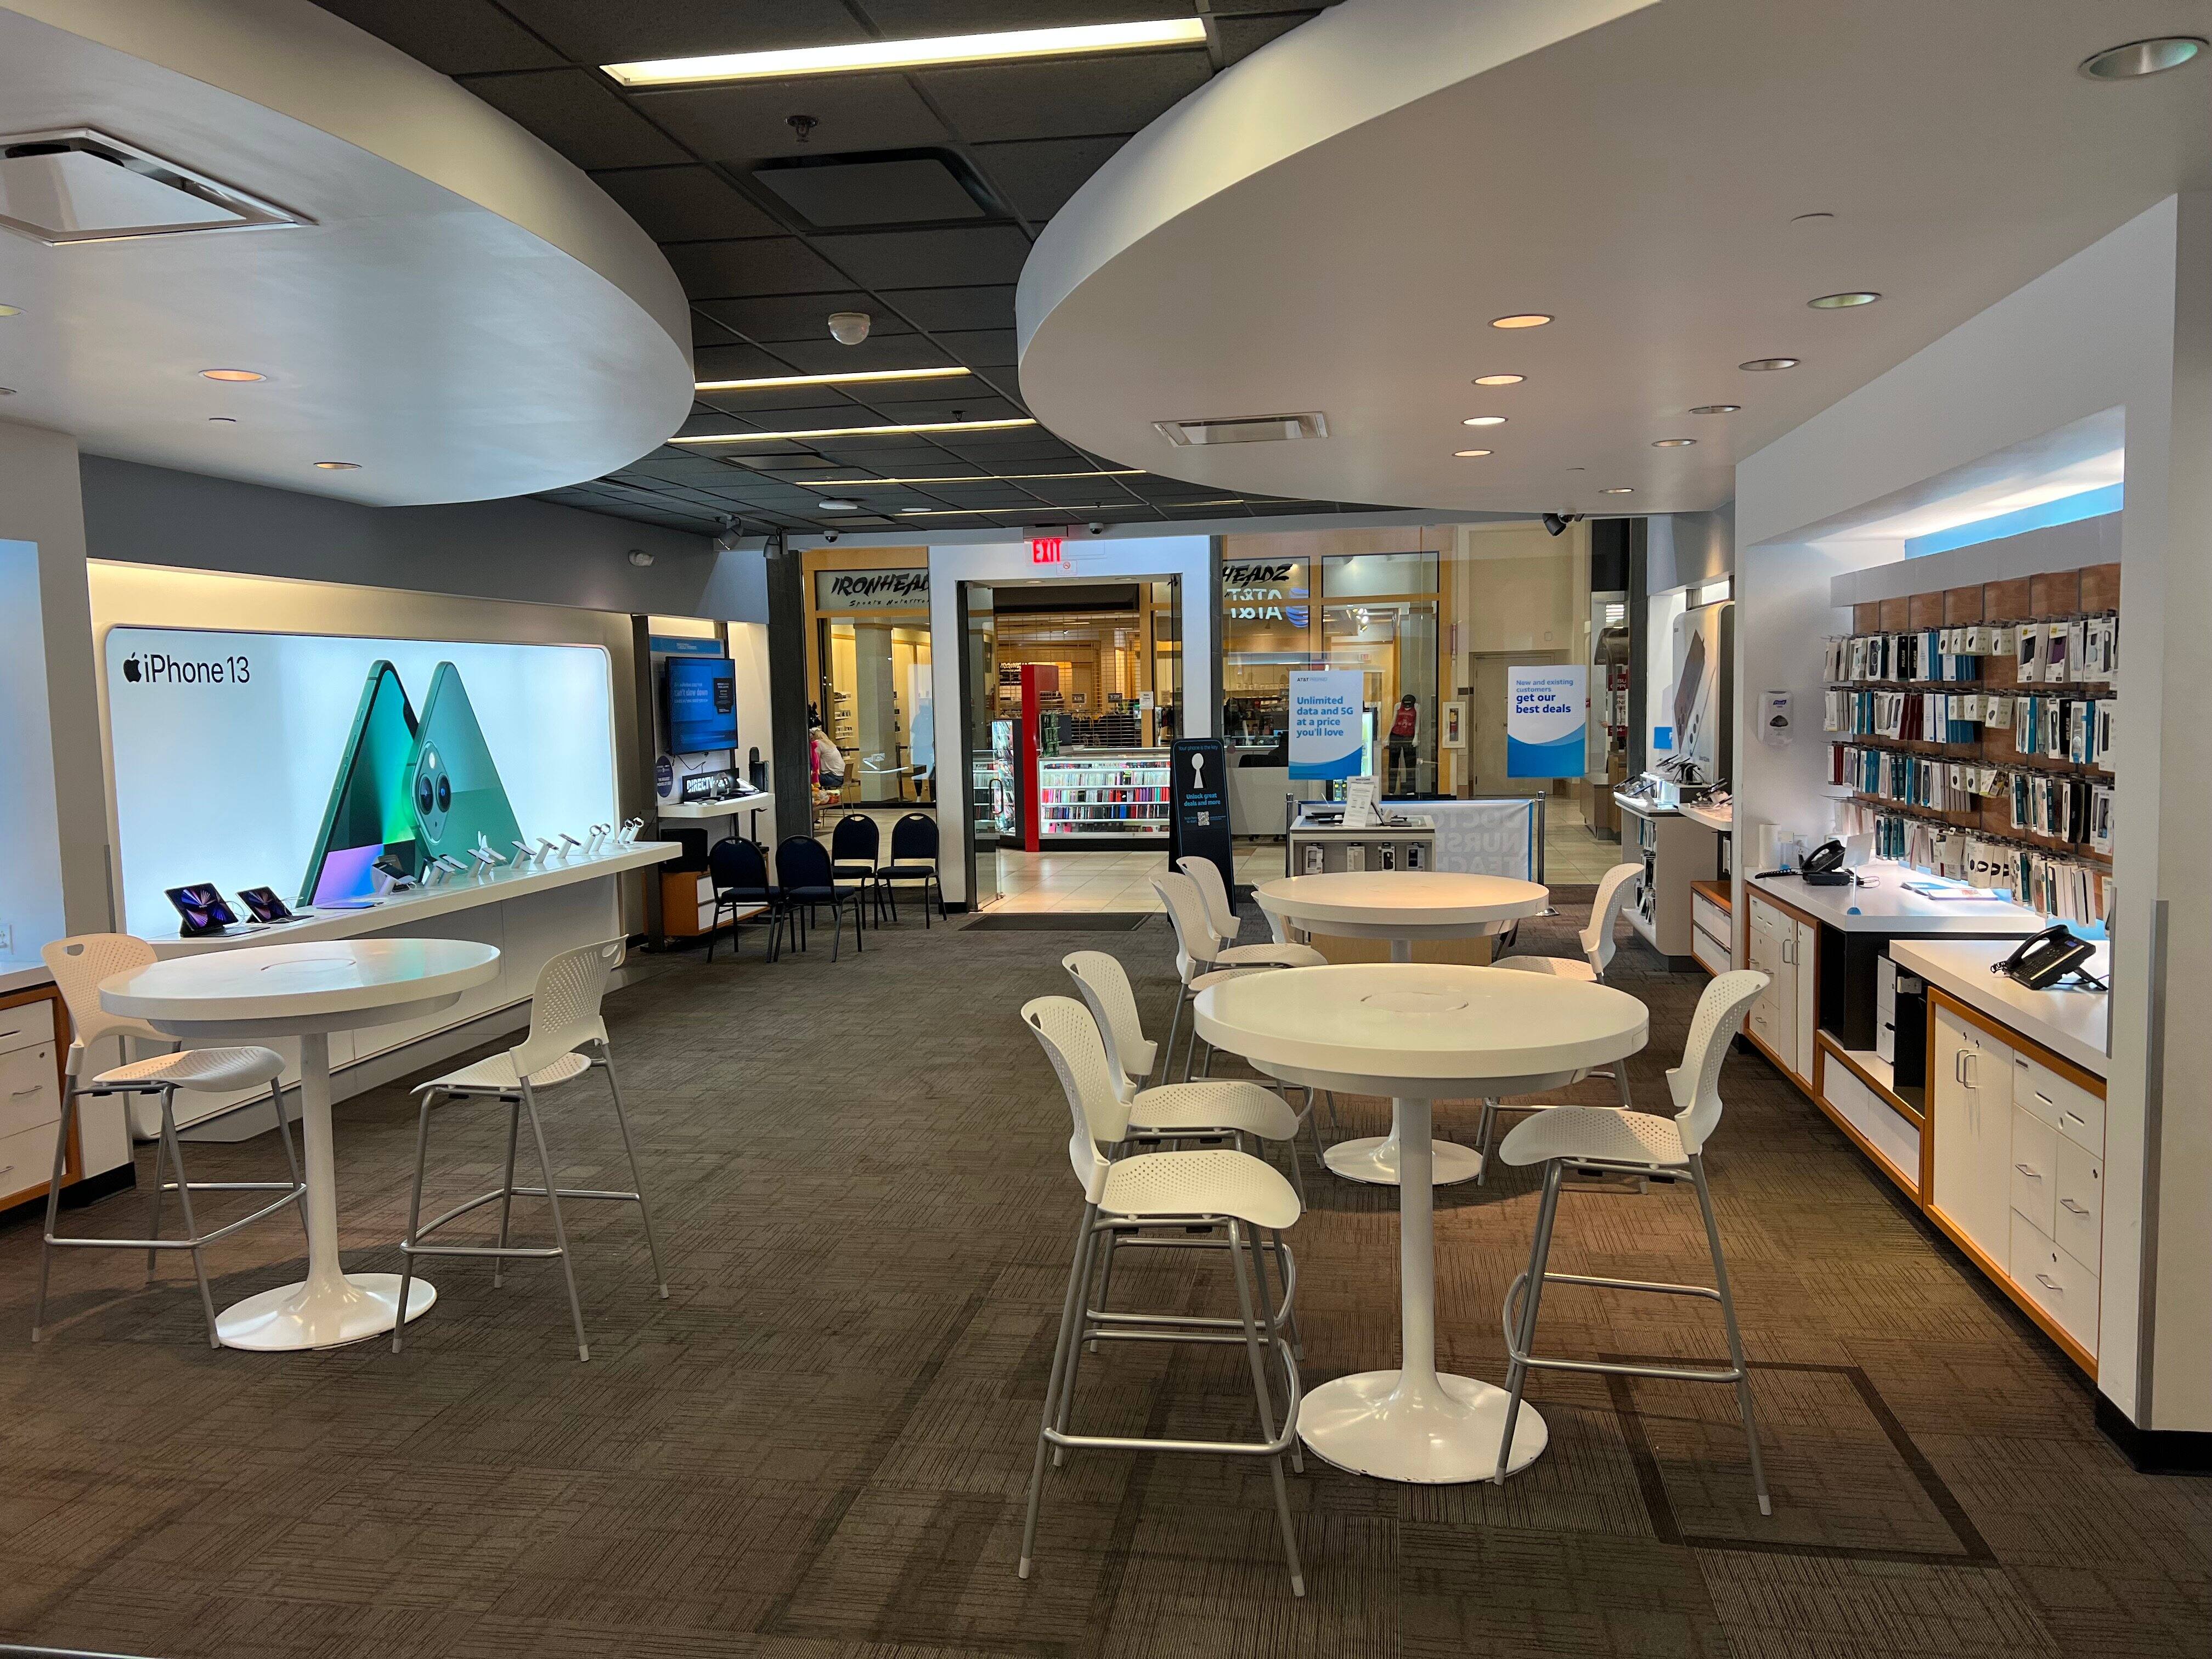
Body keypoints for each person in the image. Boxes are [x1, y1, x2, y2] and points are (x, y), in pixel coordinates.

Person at [1387, 693, 1421, 795]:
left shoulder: (1416, 707)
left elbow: (1417, 723)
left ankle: (1411, 790)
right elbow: (1393, 721)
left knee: (1410, 764)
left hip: (1409, 736)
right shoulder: (1398, 706)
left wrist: (1416, 737)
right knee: (1393, 764)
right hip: (1396, 735)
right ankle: (1391, 791)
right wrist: (1388, 737)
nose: (1407, 708)